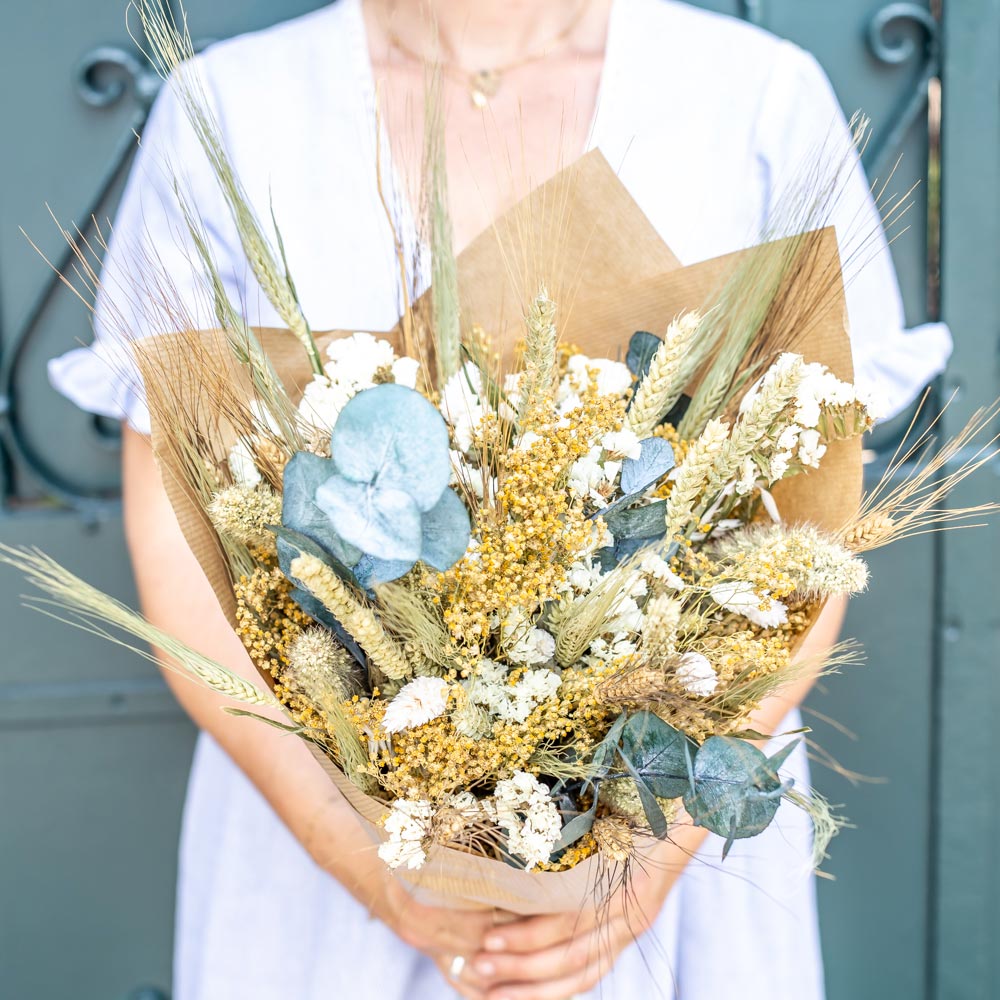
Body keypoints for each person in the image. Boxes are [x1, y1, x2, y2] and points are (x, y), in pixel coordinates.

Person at [49, 1, 952, 998]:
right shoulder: (229, 109)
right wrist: (370, 869)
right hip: (318, 859)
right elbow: (184, 551)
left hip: (671, 857)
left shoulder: (755, 99)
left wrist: (648, 857)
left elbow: (807, 539)